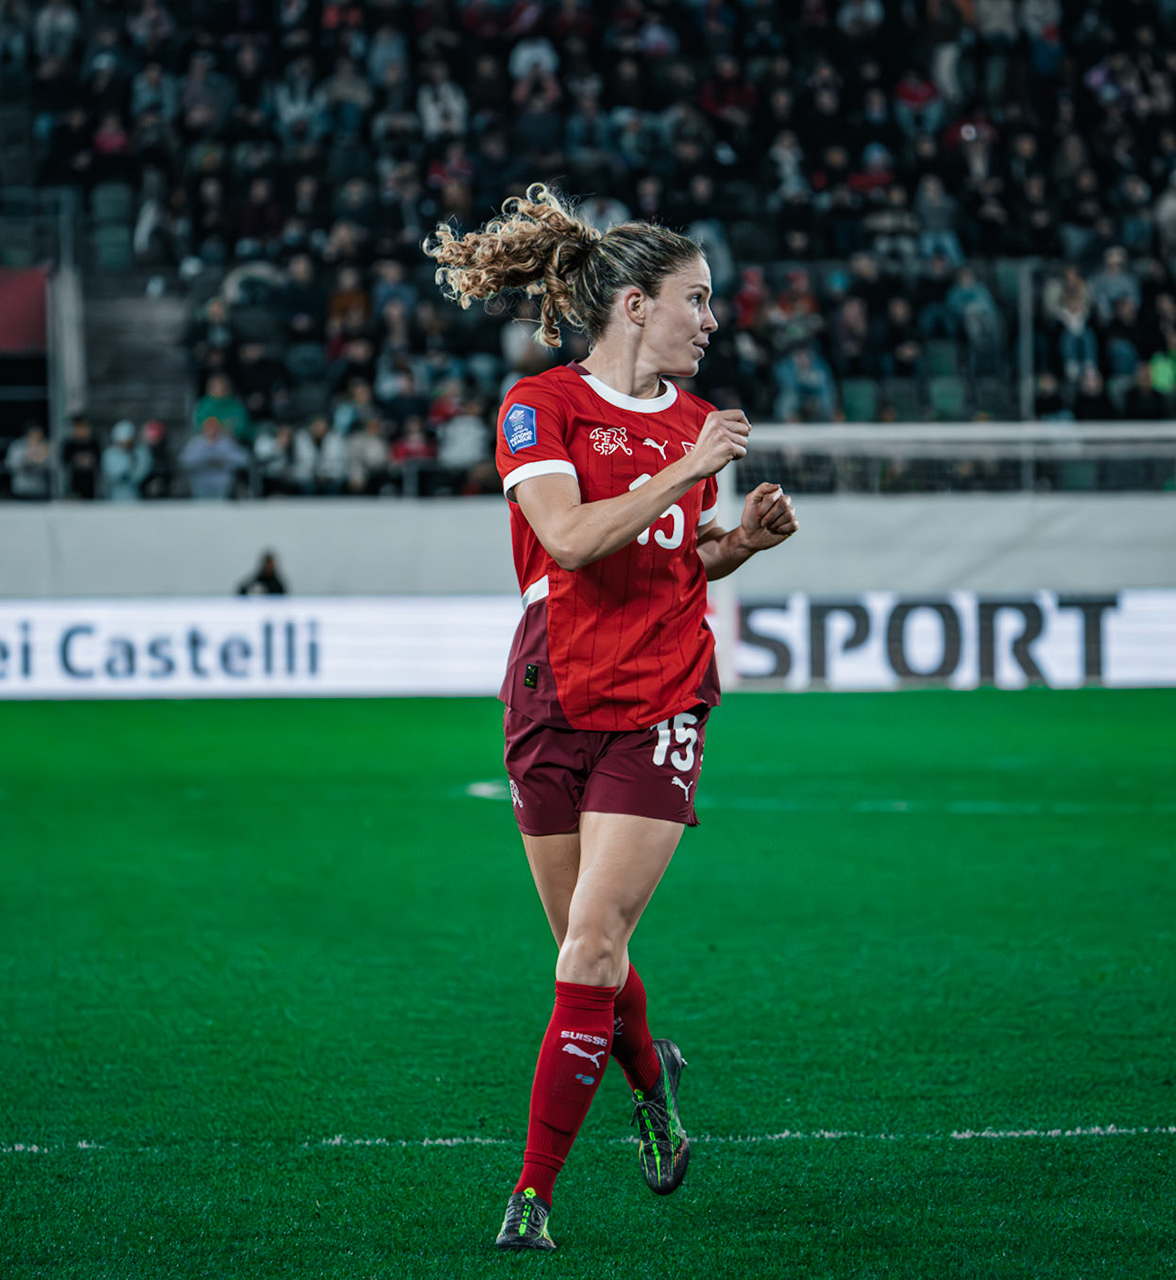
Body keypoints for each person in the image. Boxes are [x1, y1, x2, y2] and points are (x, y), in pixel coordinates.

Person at [426, 183, 799, 1252]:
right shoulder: (541, 405)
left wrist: (742, 542)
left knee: (590, 949)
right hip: (552, 690)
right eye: (698, 298)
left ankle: (532, 1195)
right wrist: (690, 471)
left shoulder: (690, 422)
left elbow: (677, 550)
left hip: (662, 696)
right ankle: (653, 1072)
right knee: (584, 951)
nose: (712, 320)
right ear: (635, 304)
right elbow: (575, 540)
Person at [178, 416, 245, 498]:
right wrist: (204, 461)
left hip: (222, 483)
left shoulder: (226, 443)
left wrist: (223, 461)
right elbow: (184, 460)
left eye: (214, 427)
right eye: (209, 427)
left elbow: (242, 459)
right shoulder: (196, 443)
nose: (211, 430)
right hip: (201, 482)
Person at [103, 419, 152, 500]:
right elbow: (112, 474)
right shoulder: (110, 454)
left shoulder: (140, 453)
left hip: (135, 497)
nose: (124, 446)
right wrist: (127, 463)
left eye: (128, 443)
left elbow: (140, 473)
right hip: (114, 497)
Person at [5, 422, 55, 499]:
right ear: (27, 433)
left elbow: (53, 466)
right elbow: (10, 465)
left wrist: (41, 460)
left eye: (38, 433)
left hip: (40, 489)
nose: (36, 435)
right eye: (33, 432)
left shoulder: (46, 445)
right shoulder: (18, 446)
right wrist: (26, 459)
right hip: (21, 488)